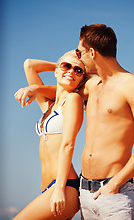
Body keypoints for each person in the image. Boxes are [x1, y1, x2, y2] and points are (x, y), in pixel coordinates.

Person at [15, 24, 134, 220]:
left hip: (114, 194)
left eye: (79, 51)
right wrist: (35, 88)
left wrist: (115, 184)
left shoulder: (133, 86)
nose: (78, 56)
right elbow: (63, 89)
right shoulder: (92, 85)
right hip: (84, 192)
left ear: (92, 52)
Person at [14, 50, 90, 220]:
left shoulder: (73, 100)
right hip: (48, 188)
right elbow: (29, 65)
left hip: (64, 187)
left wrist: (59, 189)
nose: (72, 71)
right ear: (56, 70)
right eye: (66, 66)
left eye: (78, 71)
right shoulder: (49, 107)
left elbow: (68, 144)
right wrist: (64, 63)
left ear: (81, 79)